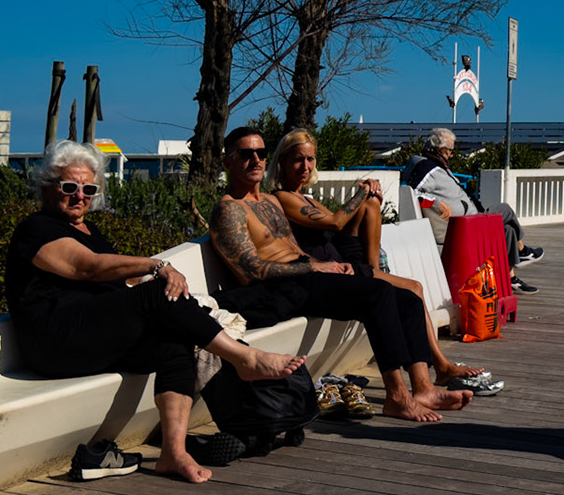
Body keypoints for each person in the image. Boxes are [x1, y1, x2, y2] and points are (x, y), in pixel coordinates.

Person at [5, 139, 307, 485]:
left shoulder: (87, 229)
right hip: (55, 341)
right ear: (47, 187)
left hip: (90, 336)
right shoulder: (36, 230)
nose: (80, 196)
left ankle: (173, 453)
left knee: (173, 341)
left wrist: (159, 278)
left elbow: (122, 275)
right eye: (70, 187)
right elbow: (87, 267)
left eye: (88, 188)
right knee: (155, 295)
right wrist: (158, 267)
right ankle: (244, 358)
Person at [209, 126, 475, 423]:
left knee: (407, 299)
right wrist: (314, 266)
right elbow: (252, 272)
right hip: (283, 288)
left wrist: (334, 266)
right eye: (246, 154)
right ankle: (397, 397)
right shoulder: (229, 210)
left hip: (307, 278)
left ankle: (424, 387)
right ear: (227, 162)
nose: (256, 160)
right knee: (378, 294)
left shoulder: (269, 203)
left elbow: (293, 247)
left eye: (260, 153)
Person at [268, 129, 502, 395]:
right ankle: (439, 367)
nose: (306, 166)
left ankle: (439, 367)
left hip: (343, 264)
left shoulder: (306, 198)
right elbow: (334, 222)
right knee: (413, 289)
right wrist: (364, 192)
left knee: (411, 287)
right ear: (282, 162)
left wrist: (369, 200)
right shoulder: (282, 197)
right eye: (298, 159)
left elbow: (337, 225)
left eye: (310, 159)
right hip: (331, 274)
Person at [402, 128, 541, 293]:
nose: (452, 156)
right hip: (464, 226)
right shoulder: (427, 168)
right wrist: (438, 202)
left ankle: (510, 278)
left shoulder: (433, 166)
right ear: (442, 150)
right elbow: (411, 191)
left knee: (508, 230)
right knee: (505, 209)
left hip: (468, 221)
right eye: (451, 151)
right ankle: (523, 251)